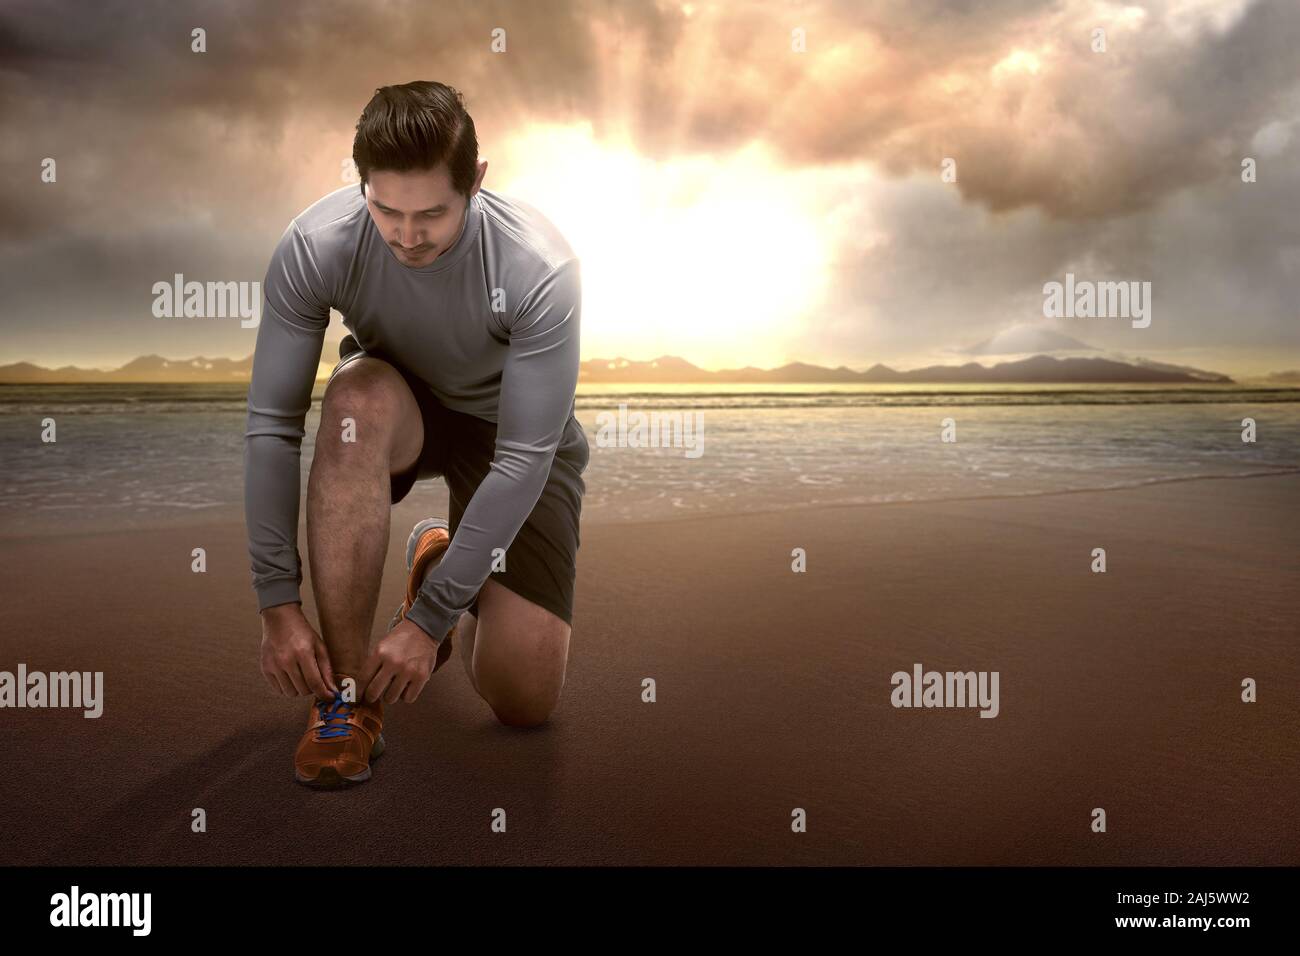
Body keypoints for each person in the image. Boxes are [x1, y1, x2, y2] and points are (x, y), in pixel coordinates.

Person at [243, 80, 589, 788]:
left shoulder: (539, 267)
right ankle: (345, 700)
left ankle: (443, 564)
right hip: (397, 406)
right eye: (385, 210)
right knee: (353, 402)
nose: (406, 235)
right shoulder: (317, 245)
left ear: (478, 183)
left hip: (510, 432)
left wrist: (429, 621)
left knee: (523, 701)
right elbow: (274, 426)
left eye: (432, 213)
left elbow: (525, 457)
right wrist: (277, 602)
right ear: (360, 185)